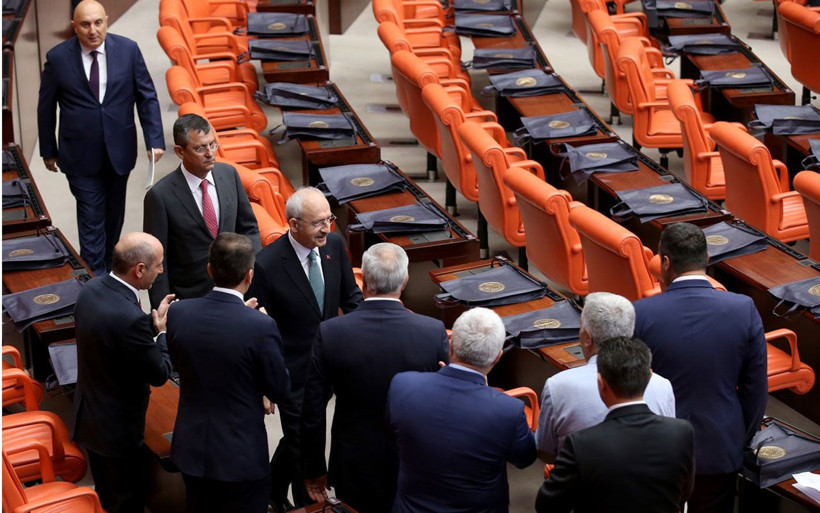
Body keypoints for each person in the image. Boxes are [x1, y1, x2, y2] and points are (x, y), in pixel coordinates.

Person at [300, 243, 449, 513]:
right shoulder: (432, 332)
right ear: (405, 280)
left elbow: (312, 408)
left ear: (365, 281)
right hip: (414, 460)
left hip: (354, 462)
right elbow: (446, 404)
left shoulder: (331, 332)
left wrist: (314, 468)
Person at [634, 222, 767, 513]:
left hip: (656, 451)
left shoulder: (640, 313)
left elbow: (629, 389)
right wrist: (737, 438)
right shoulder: (743, 309)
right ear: (707, 258)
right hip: (720, 448)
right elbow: (755, 391)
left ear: (665, 262)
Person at [247, 186, 362, 511]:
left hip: (331, 363)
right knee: (302, 443)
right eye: (318, 223)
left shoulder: (333, 245)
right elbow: (257, 326)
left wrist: (368, 330)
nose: (326, 228)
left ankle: (271, 491)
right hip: (292, 371)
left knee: (299, 434)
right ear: (294, 224)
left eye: (328, 219)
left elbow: (350, 296)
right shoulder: (267, 264)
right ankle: (305, 504)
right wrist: (264, 382)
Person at [37, 0, 165, 276]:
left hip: (119, 151)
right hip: (79, 156)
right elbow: (46, 106)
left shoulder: (128, 50)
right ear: (74, 26)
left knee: (113, 218)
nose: (93, 30)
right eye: (85, 24)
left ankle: (107, 268)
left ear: (106, 20)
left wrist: (154, 138)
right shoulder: (58, 58)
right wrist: (48, 149)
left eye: (98, 23)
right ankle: (94, 280)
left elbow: (146, 96)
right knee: (91, 220)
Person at [167, 232, 290, 513]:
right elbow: (280, 389)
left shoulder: (179, 313)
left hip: (192, 450)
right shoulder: (260, 326)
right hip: (240, 457)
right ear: (249, 275)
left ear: (209, 270)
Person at [386, 308, 537, 513]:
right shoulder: (508, 410)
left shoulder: (403, 385)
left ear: (450, 346)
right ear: (497, 357)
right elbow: (525, 459)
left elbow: (394, 436)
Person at [72, 232, 174, 513]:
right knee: (126, 502)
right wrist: (161, 333)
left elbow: (113, 337)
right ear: (139, 269)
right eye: (158, 265)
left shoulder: (91, 289)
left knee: (106, 495)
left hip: (90, 418)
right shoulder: (130, 319)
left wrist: (149, 325)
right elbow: (160, 373)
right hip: (118, 433)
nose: (161, 270)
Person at [535, 336, 695, 513]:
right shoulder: (682, 432)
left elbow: (547, 505)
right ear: (650, 377)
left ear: (601, 384)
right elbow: (684, 493)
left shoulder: (580, 444)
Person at [535, 292, 675, 462]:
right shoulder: (663, 386)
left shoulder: (557, 386)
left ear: (587, 338)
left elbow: (546, 453)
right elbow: (668, 448)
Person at [144, 113, 261, 310]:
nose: (210, 153)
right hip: (191, 300)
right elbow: (156, 259)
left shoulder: (229, 175)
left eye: (212, 144)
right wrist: (163, 309)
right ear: (180, 152)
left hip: (238, 293)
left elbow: (248, 228)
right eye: (200, 148)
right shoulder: (160, 197)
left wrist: (255, 272)